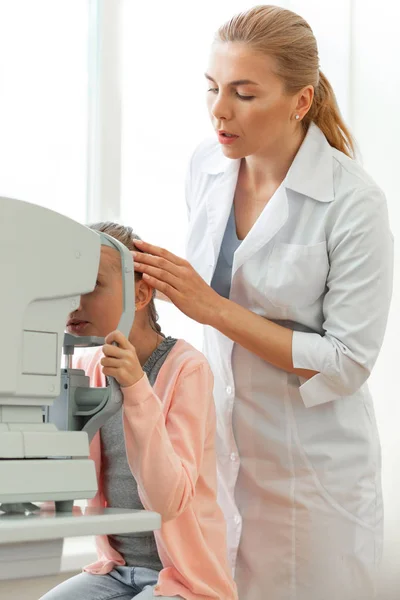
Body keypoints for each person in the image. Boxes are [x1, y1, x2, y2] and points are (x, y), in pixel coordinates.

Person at [131, 5, 394, 600]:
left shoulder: (353, 203)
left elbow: (349, 361)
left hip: (316, 482)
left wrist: (214, 308)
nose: (220, 110)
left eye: (244, 94)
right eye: (213, 88)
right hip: (224, 458)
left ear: (300, 101)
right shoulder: (207, 165)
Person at [40, 222, 237, 600]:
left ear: (141, 292)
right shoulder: (90, 367)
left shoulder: (186, 368)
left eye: (91, 285)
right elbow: (61, 482)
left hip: (183, 576)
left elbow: (168, 501)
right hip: (115, 571)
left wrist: (136, 388)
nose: (74, 302)